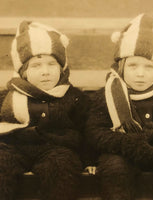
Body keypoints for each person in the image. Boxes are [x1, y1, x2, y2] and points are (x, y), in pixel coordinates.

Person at [85, 13, 153, 200]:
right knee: (114, 167)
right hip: (124, 151)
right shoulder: (107, 95)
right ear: (120, 67)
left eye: (148, 67)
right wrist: (127, 143)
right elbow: (95, 132)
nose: (140, 74)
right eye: (133, 66)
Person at [0, 21, 89, 200]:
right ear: (23, 72)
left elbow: (87, 131)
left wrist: (90, 161)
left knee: (62, 167)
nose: (45, 72)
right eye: (36, 66)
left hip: (56, 148)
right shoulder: (7, 97)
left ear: (62, 68)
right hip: (14, 146)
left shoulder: (74, 97)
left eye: (51, 64)